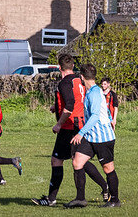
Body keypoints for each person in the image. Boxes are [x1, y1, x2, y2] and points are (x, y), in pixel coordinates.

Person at [32, 54, 108, 207]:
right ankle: (105, 187)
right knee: (79, 161)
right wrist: (57, 107)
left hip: (69, 126)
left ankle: (51, 199)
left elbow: (71, 104)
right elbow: (79, 99)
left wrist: (59, 123)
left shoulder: (65, 83)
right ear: (72, 67)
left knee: (59, 161)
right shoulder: (80, 80)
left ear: (59, 67)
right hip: (80, 124)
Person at [68, 64, 121, 208]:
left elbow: (95, 116)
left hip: (103, 138)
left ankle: (115, 200)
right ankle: (80, 199)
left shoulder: (95, 93)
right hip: (92, 137)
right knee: (77, 162)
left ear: (81, 77)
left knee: (108, 168)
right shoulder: (91, 91)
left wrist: (80, 133)